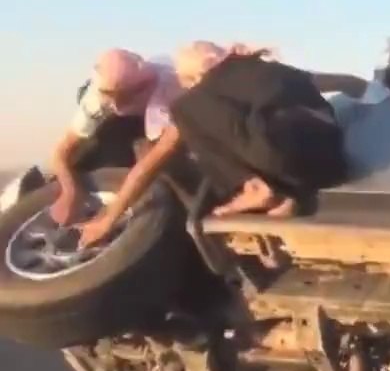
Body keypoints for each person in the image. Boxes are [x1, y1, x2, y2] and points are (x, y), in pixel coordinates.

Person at [77, 42, 348, 248]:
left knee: (184, 111)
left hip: (291, 155)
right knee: (267, 132)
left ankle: (255, 188)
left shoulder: (198, 97)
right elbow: (330, 81)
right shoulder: (266, 67)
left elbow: (149, 165)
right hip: (332, 159)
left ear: (197, 75)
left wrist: (108, 219)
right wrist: (364, 87)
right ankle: (288, 198)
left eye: (187, 80)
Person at [46, 49, 183, 225]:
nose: (115, 102)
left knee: (162, 170)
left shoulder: (168, 89)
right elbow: (61, 150)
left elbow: (157, 156)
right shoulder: (98, 95)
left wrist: (109, 218)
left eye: (123, 96)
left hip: (169, 115)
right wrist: (70, 191)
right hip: (129, 113)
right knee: (83, 152)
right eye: (109, 95)